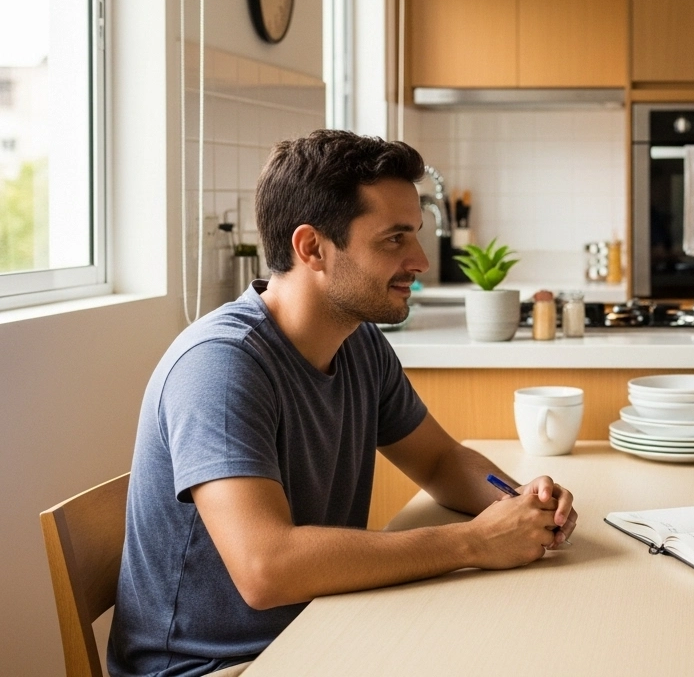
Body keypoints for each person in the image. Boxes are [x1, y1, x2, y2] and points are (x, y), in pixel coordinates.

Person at [109, 130, 578, 677]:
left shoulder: (357, 342)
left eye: (416, 236)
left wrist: (521, 504)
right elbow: (268, 569)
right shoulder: (220, 366)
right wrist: (473, 542)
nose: (421, 260)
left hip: (320, 628)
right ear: (312, 248)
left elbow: (439, 460)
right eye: (394, 239)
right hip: (215, 668)